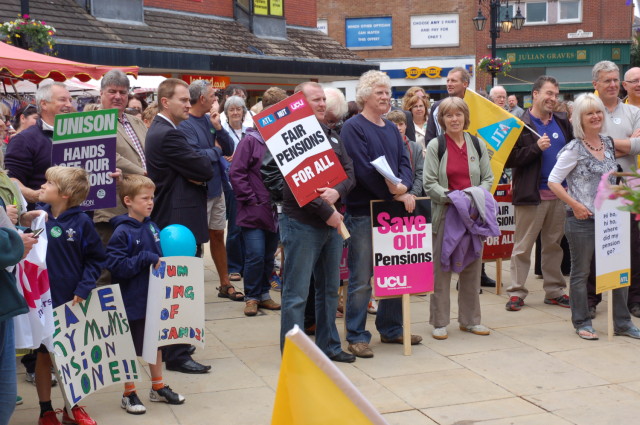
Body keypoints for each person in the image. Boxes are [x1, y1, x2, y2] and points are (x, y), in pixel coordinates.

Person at [264, 82, 356, 362]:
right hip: (302, 224)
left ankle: (330, 346)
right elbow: (291, 183)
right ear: (299, 103)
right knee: (296, 294)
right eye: (314, 100)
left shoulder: (332, 134)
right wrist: (326, 210)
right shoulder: (286, 137)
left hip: (331, 225)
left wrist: (337, 191)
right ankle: (293, 355)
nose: (321, 104)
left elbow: (350, 172)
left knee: (329, 290)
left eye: (322, 100)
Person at [341, 70, 422, 358]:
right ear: (365, 96)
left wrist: (404, 187)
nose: (386, 97)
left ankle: (391, 328)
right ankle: (356, 334)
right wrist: (395, 193)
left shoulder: (390, 128)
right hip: (363, 212)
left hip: (392, 210)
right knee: (362, 277)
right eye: (380, 92)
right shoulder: (353, 127)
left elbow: (405, 161)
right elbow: (361, 170)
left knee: (395, 273)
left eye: (388, 92)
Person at [548, 93, 640, 340]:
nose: (596, 116)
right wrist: (575, 205)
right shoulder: (573, 149)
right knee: (582, 273)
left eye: (598, 111)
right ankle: (582, 322)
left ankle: (622, 322)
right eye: (590, 113)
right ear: (579, 118)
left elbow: (612, 177)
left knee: (620, 269)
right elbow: (554, 181)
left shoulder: (608, 143)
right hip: (582, 220)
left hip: (611, 219)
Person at [145, 78, 213, 374]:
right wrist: (197, 169)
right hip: (177, 223)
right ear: (165, 102)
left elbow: (198, 168)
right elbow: (204, 168)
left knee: (180, 287)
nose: (189, 103)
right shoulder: (169, 135)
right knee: (179, 288)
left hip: (178, 219)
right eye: (183, 100)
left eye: (189, 100)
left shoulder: (167, 131)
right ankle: (177, 354)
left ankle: (178, 346)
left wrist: (196, 169)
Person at [106, 175, 186, 415]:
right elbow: (116, 266)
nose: (150, 202)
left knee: (155, 343)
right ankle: (128, 393)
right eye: (145, 198)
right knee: (129, 347)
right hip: (132, 300)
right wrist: (145, 259)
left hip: (154, 298)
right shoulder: (121, 232)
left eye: (152, 198)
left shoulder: (152, 226)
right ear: (128, 201)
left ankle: (158, 387)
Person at [36, 166, 105, 425]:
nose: (42, 186)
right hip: (43, 302)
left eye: (48, 183)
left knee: (72, 356)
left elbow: (96, 259)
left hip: (71, 302)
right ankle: (45, 410)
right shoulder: (37, 217)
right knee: (44, 356)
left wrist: (84, 287)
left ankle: (72, 406)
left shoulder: (82, 222)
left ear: (64, 194)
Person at [423, 97, 496, 340]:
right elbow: (429, 183)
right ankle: (440, 322)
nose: (454, 119)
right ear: (442, 120)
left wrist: (473, 197)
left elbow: (488, 178)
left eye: (458, 114)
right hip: (445, 214)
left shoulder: (477, 144)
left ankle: (470, 321)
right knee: (441, 269)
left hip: (473, 216)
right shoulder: (436, 145)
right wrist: (455, 198)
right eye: (448, 115)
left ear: (465, 117)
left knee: (472, 268)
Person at [503, 76, 572, 311]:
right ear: (535, 94)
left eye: (555, 94)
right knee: (523, 246)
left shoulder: (562, 122)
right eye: (548, 93)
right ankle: (516, 292)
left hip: (559, 195)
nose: (553, 98)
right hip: (531, 195)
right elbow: (508, 158)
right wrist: (535, 148)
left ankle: (554, 290)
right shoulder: (519, 123)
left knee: (554, 245)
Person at [179, 80, 240, 300]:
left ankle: (225, 284)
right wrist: (216, 152)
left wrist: (219, 128)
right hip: (198, 191)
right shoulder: (185, 124)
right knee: (195, 240)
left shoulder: (209, 120)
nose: (217, 100)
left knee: (217, 233)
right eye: (213, 96)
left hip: (217, 188)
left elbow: (230, 148)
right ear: (203, 99)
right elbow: (196, 158)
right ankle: (189, 291)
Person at [229, 87, 285, 316]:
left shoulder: (281, 138)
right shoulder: (251, 140)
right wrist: (250, 199)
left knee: (268, 255)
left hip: (275, 208)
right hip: (254, 209)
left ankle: (263, 294)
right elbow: (236, 172)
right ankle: (251, 296)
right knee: (254, 254)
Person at [591, 61, 640, 318]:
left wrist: (604, 143)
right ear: (595, 84)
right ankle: (591, 297)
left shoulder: (632, 112)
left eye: (614, 79)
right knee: (595, 245)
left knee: (631, 245)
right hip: (596, 188)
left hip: (628, 187)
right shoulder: (589, 109)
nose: (611, 84)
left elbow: (638, 146)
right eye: (606, 80)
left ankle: (634, 299)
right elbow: (585, 144)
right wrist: (625, 143)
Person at [93, 70, 149, 285]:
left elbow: (148, 152)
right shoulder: (93, 121)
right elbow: (106, 154)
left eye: (123, 92)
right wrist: (142, 173)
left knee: (135, 265)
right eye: (112, 91)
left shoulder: (136, 121)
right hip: (111, 207)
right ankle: (106, 316)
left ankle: (133, 314)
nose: (118, 96)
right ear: (101, 94)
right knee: (108, 267)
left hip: (140, 206)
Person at [5, 82, 73, 209]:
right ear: (44, 104)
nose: (69, 105)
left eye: (70, 100)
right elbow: (11, 179)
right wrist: (35, 195)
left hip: (80, 216)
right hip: (45, 217)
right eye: (62, 100)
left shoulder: (79, 135)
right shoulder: (24, 139)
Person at [221, 95, 250, 283]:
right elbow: (222, 156)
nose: (235, 112)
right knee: (234, 227)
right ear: (227, 113)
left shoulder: (250, 131)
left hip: (250, 183)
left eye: (238, 109)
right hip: (231, 184)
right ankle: (233, 267)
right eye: (231, 109)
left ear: (244, 112)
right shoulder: (223, 132)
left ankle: (248, 264)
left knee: (249, 227)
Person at [425, 67, 470, 142]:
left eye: (453, 81)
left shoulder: (474, 105)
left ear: (465, 84)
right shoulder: (437, 106)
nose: (449, 84)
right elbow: (430, 137)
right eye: (448, 81)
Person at [386, 110, 424, 197]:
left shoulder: (416, 147)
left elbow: (420, 174)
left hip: (413, 197)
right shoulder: (384, 147)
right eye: (394, 125)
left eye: (401, 124)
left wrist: (413, 194)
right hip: (391, 197)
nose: (398, 128)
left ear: (406, 126)